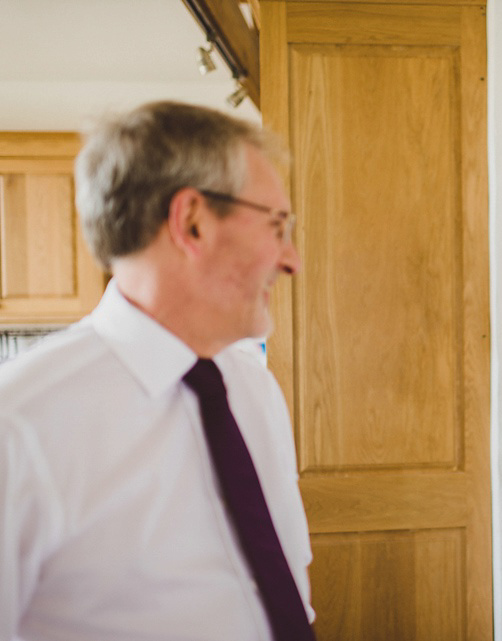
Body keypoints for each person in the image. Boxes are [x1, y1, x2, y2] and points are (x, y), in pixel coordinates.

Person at [0, 101, 316, 640]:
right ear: (191, 222)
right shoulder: (19, 426)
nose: (292, 260)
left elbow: (287, 594)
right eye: (277, 225)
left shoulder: (254, 390)